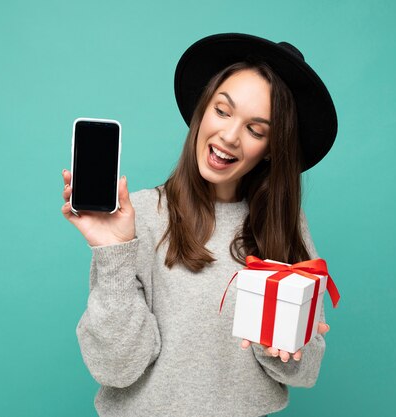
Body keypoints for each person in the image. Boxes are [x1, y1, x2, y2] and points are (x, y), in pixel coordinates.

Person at [61, 33, 338, 417]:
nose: (228, 136)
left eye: (255, 130)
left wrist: (282, 334)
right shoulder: (136, 216)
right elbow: (116, 368)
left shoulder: (286, 226)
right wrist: (113, 255)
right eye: (222, 111)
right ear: (202, 110)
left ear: (273, 148)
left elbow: (305, 370)